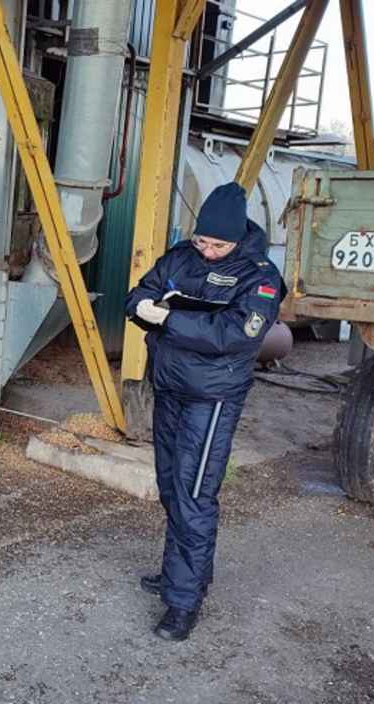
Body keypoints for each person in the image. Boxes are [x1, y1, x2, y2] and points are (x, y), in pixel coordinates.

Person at [124, 182, 286, 641]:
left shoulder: (260, 276)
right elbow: (137, 297)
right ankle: (183, 574)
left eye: (218, 244)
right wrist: (146, 309)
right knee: (172, 489)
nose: (208, 251)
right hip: (170, 387)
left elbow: (234, 335)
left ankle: (183, 602)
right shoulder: (179, 257)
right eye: (202, 241)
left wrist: (168, 319)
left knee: (195, 494)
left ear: (237, 238)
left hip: (212, 398)